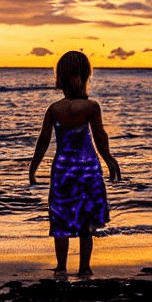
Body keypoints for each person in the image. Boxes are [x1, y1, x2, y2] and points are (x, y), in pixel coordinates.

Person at [29, 51, 121, 277]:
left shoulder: (54, 109)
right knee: (86, 221)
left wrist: (33, 168)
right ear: (85, 75)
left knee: (60, 218)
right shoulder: (91, 108)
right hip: (88, 169)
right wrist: (109, 160)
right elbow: (100, 137)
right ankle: (84, 267)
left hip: (62, 170)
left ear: (60, 78)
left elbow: (42, 141)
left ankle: (61, 266)